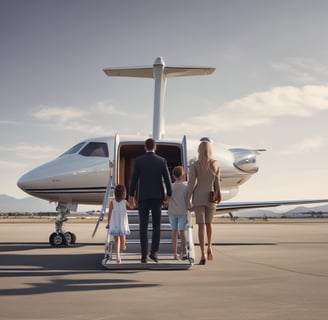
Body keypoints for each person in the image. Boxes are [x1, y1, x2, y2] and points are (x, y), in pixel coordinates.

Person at [129, 138, 172, 263]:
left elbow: (134, 180)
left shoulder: (139, 161)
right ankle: (154, 252)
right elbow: (167, 179)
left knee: (143, 226)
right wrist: (169, 195)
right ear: (155, 147)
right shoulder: (161, 161)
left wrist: (131, 196)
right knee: (156, 225)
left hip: (143, 197)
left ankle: (143, 255)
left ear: (144, 147)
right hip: (157, 197)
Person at [186, 140, 221, 265]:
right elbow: (217, 183)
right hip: (211, 197)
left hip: (198, 197)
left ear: (199, 151)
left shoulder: (195, 165)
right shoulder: (215, 163)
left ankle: (202, 253)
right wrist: (219, 195)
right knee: (209, 224)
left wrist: (187, 200)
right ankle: (210, 246)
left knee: (201, 225)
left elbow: (191, 185)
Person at [106, 184, 131, 264]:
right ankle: (123, 246)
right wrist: (133, 204)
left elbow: (109, 213)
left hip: (115, 223)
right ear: (124, 193)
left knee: (117, 241)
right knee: (123, 237)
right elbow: (130, 207)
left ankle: (117, 256)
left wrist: (109, 222)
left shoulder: (112, 202)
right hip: (122, 223)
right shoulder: (125, 202)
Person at [167, 166, 188, 260]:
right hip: (182, 211)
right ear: (183, 175)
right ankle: (184, 252)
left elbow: (168, 199)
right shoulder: (185, 187)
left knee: (174, 232)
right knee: (182, 232)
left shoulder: (170, 186)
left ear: (173, 176)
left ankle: (175, 254)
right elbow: (187, 200)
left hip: (172, 212)